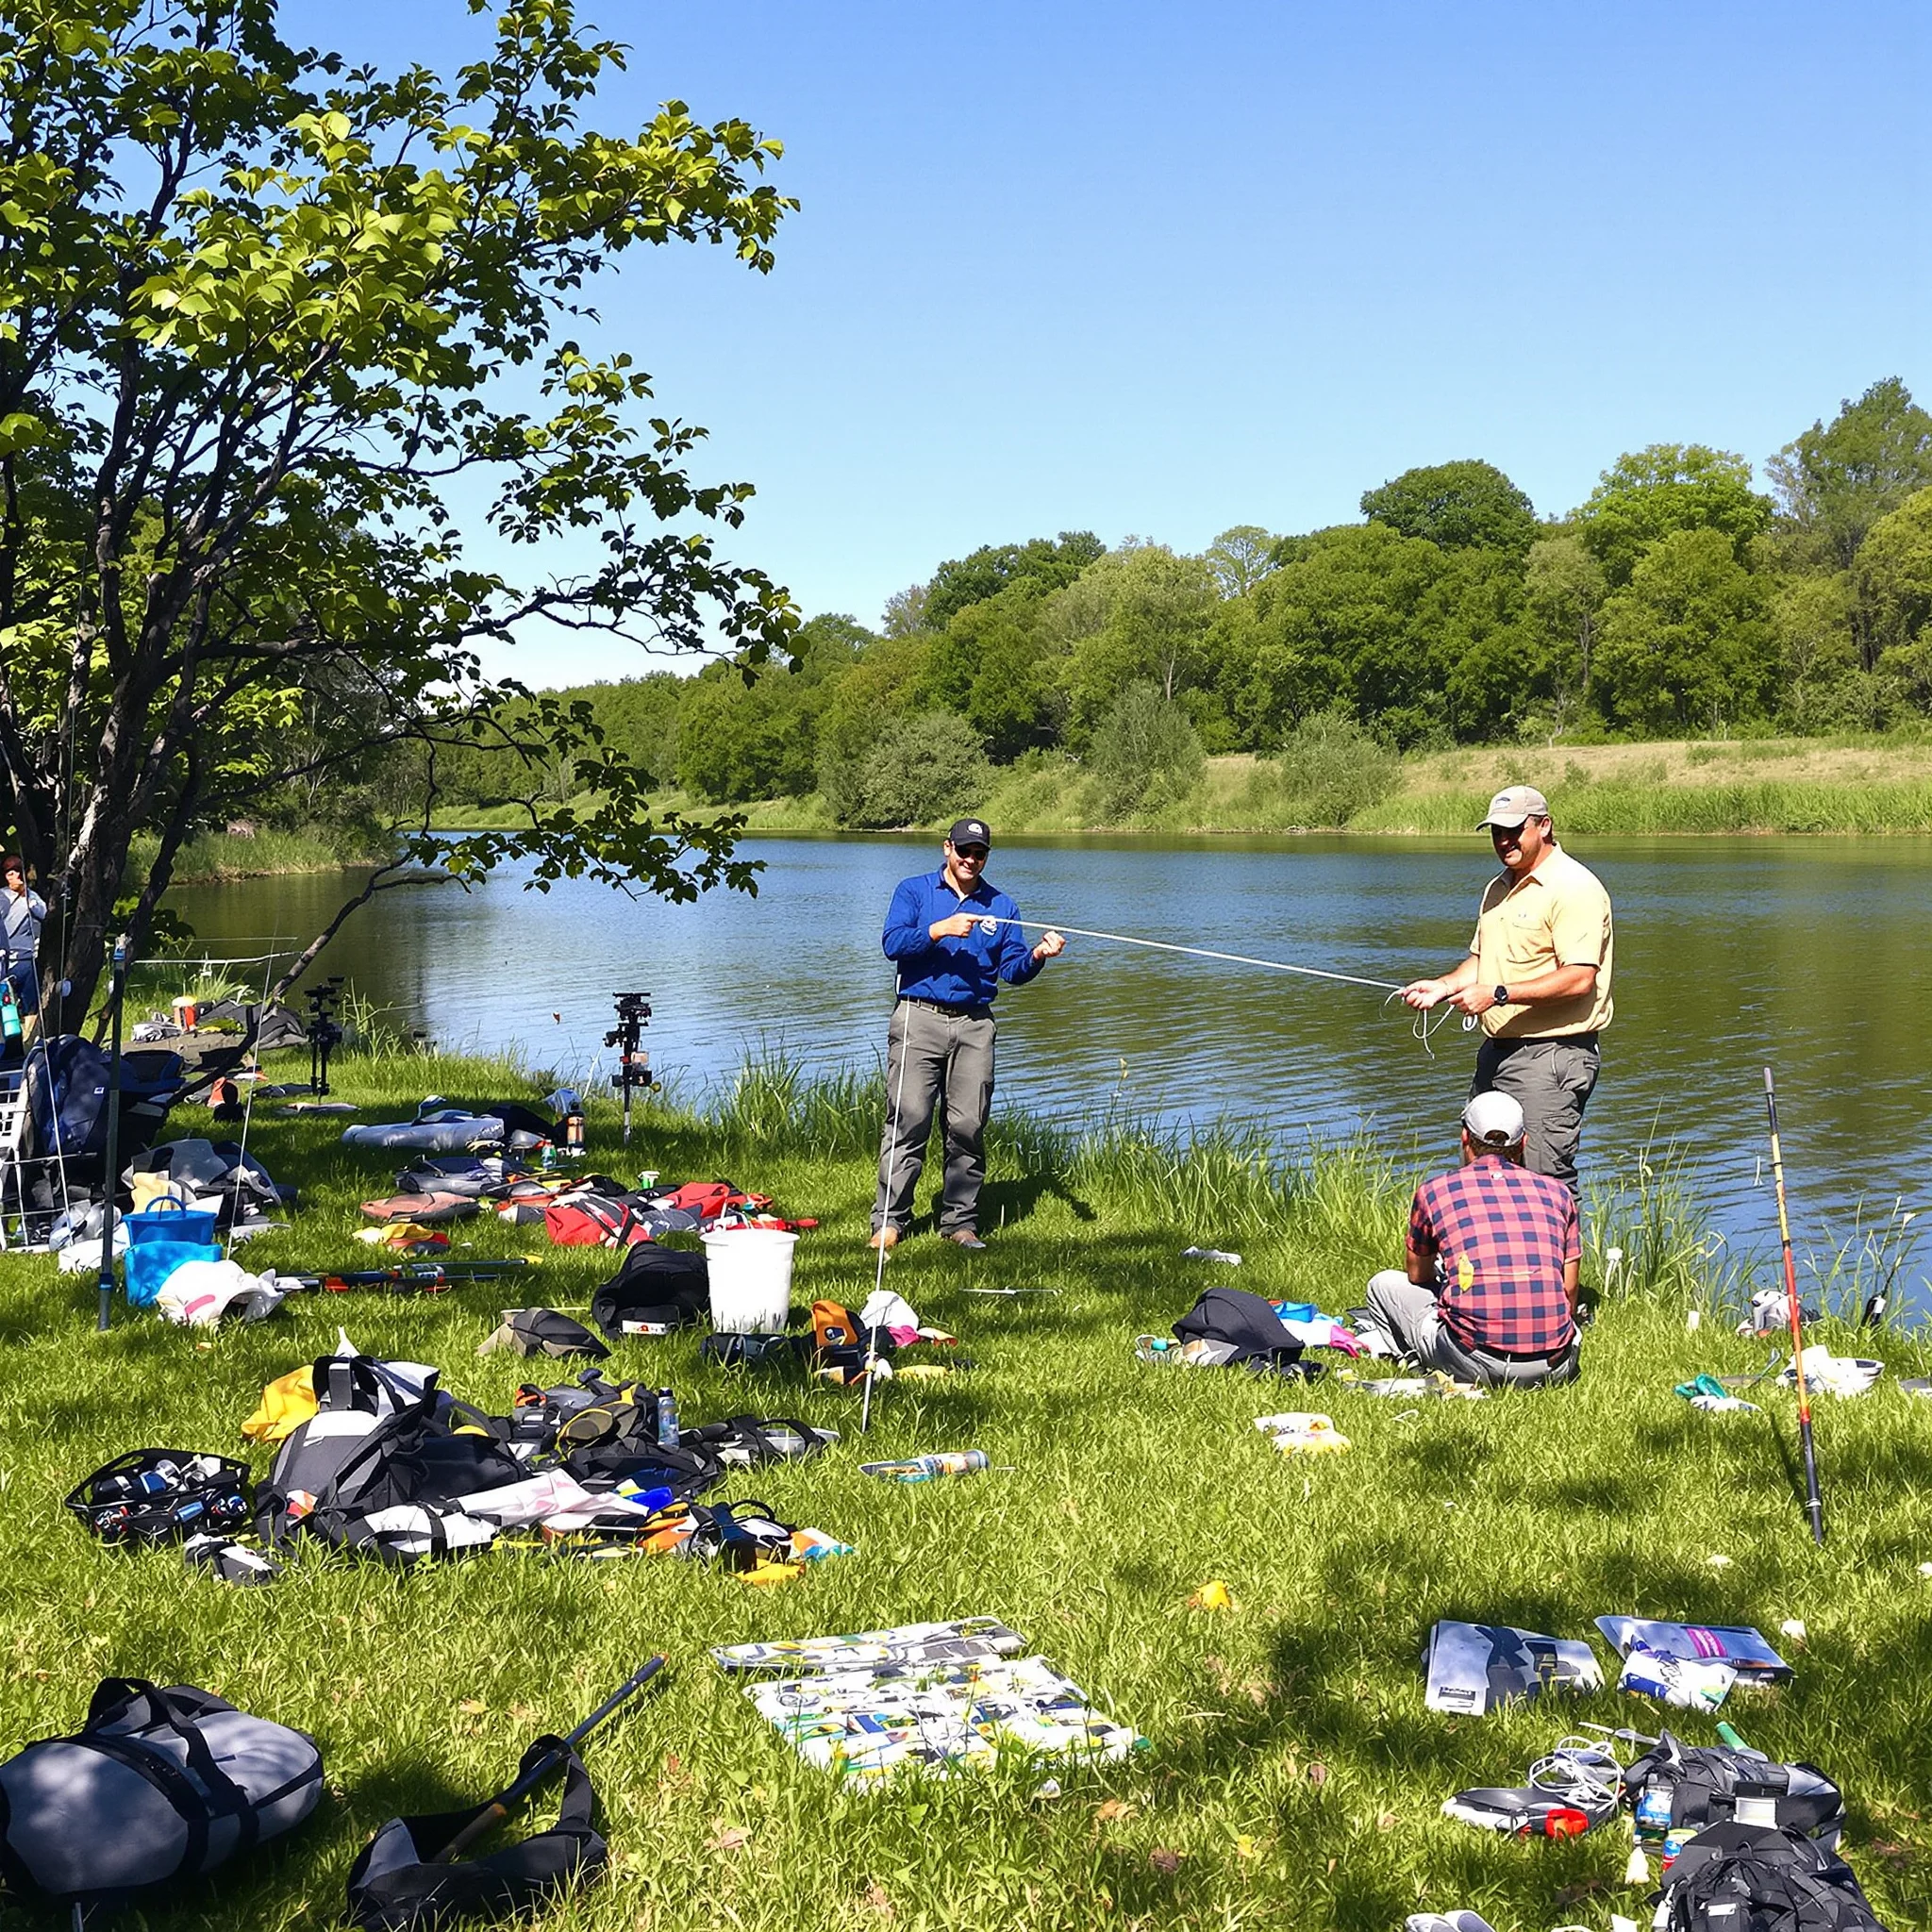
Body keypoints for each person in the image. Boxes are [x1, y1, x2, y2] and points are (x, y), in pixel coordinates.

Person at [1399, 784, 1612, 1201]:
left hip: (1552, 1056)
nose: (1504, 841)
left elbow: (1579, 978)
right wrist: (1444, 987)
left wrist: (1497, 995)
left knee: (1545, 1186)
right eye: (1497, 832)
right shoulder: (1498, 887)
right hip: (1496, 1053)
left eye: (1514, 830)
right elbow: (1482, 960)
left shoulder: (1575, 887)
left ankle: (1557, 1248)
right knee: (1479, 1176)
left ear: (1544, 826)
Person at [871, 818, 1064, 1251]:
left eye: (979, 854)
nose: (971, 860)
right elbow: (892, 944)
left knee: (968, 1125)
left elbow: (1012, 970)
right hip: (918, 1017)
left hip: (975, 1025)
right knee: (908, 1119)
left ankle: (960, 1222)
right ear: (947, 849)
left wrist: (1037, 955)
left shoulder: (1002, 905)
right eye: (964, 851)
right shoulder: (914, 891)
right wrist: (938, 930)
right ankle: (889, 1221)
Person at [1357, 1090, 1581, 1389]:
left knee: (1382, 1284)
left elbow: (1417, 1274)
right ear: (1524, 1141)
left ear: (1465, 1137)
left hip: (1476, 1363)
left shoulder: (1434, 1191)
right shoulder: (1558, 1193)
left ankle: (1412, 1358)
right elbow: (1569, 1289)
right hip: (1557, 1365)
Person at [0, 854, 45, 1025]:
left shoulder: (32, 896)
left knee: (30, 1007)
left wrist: (26, 895)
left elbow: (44, 913)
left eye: (18, 871)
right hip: (4, 961)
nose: (15, 876)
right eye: (10, 873)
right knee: (6, 1007)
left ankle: (29, 1038)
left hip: (26, 959)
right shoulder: (1, 897)